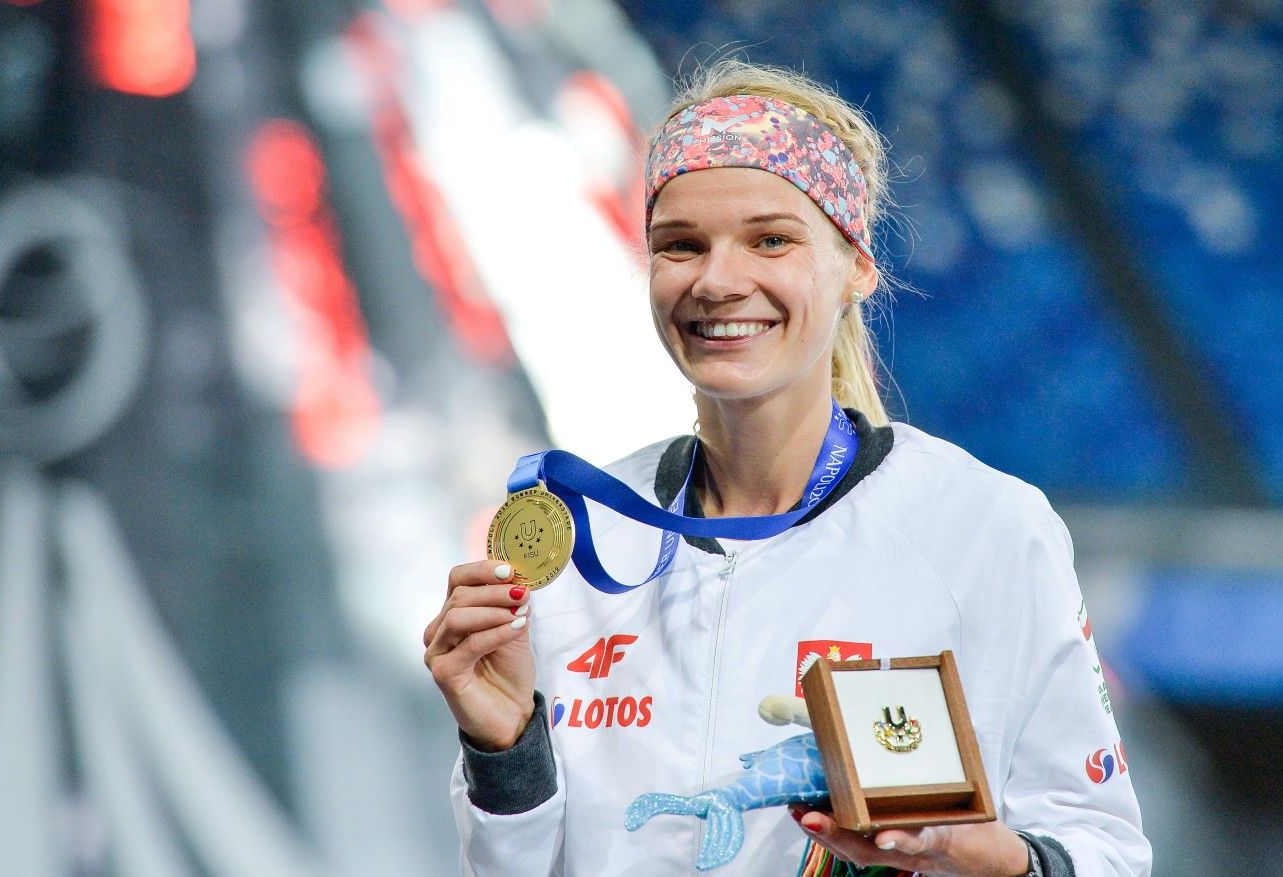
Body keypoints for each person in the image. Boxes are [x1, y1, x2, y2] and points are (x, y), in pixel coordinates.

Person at [423, 58, 1151, 877]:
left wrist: (989, 859)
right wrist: (505, 749)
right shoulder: (583, 538)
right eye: (681, 245)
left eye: (770, 239)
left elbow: (1105, 854)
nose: (718, 280)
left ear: (856, 267)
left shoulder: (984, 527)